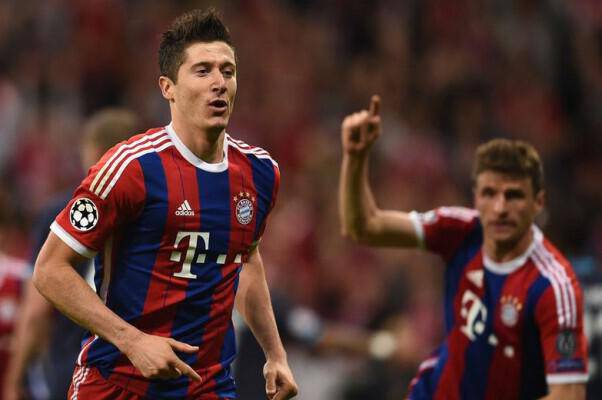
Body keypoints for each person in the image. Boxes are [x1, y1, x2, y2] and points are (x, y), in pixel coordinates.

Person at [32, 9, 297, 400]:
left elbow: (246, 260)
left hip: (206, 385)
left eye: (228, 70)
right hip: (116, 381)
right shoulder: (131, 168)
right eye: (203, 71)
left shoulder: (260, 172)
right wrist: (133, 341)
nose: (219, 83)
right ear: (167, 87)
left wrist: (275, 354)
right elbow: (49, 270)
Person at [339, 95, 588, 399]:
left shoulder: (555, 286)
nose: (499, 208)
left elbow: (569, 395)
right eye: (489, 193)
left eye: (513, 195)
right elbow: (365, 226)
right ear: (475, 197)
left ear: (538, 203)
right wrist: (356, 158)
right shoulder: (460, 230)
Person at [3, 108, 140, 400]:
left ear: (92, 152)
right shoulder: (155, 212)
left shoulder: (59, 212)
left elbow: (36, 311)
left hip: (76, 365)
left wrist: (14, 379)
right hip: (140, 368)